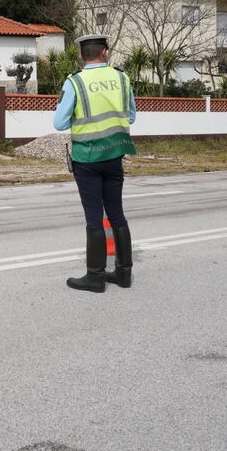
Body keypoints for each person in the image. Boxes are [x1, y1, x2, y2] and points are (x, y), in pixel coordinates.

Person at [53, 34, 137, 293]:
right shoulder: (122, 77)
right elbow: (131, 116)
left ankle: (95, 277)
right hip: (114, 155)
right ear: (105, 52)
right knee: (116, 214)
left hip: (87, 158)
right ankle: (123, 274)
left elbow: (59, 123)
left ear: (82, 55)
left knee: (94, 218)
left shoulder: (75, 82)